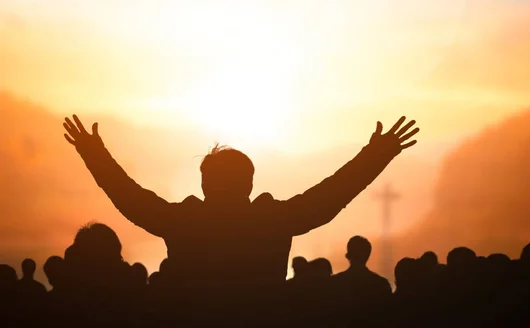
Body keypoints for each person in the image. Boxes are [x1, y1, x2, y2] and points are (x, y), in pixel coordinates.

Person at [63, 114, 418, 321]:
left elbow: (130, 198)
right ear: (249, 182)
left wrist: (93, 153)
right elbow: (331, 196)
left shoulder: (185, 221)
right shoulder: (273, 219)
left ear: (203, 183)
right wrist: (376, 154)